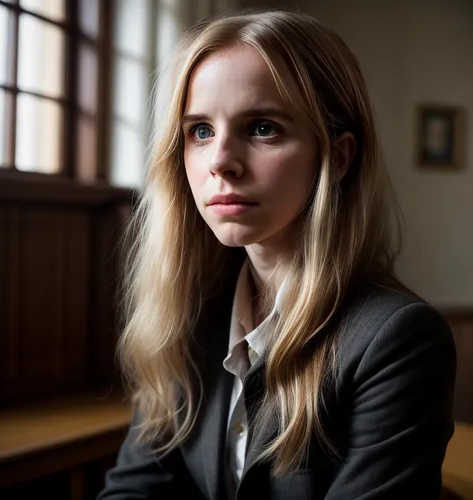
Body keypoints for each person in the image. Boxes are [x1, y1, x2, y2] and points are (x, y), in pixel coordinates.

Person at [97, 9, 456, 500]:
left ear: (340, 156)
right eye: (200, 130)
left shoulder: (396, 340)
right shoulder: (190, 316)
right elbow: (134, 490)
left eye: (262, 128)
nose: (221, 161)